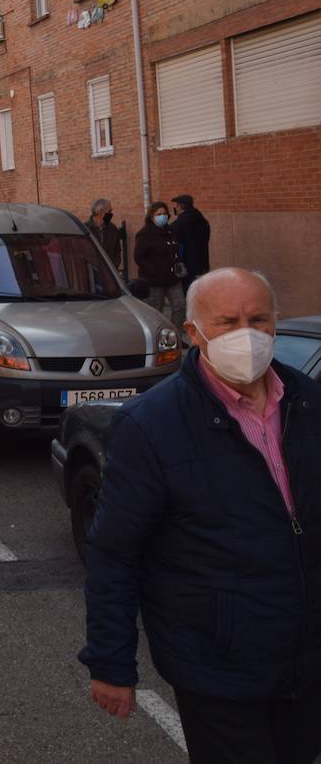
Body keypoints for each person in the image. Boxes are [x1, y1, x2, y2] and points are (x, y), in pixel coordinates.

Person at [81, 268, 321, 764]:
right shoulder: (151, 425)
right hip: (219, 667)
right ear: (194, 334)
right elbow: (114, 554)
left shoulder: (309, 402)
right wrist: (111, 662)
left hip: (307, 660)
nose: (247, 334)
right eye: (228, 322)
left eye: (258, 319)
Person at [133, 201, 186, 330]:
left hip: (173, 277)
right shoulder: (144, 234)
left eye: (164, 214)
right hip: (154, 279)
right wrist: (153, 270)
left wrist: (179, 263)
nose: (162, 216)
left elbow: (175, 249)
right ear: (151, 216)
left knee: (180, 306)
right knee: (156, 310)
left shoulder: (170, 231)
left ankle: (175, 335)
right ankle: (159, 338)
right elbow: (139, 257)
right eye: (159, 214)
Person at [171, 193, 212, 290]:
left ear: (181, 206)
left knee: (187, 291)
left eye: (176, 205)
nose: (175, 208)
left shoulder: (180, 223)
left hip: (186, 264)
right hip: (202, 261)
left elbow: (174, 239)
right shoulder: (202, 220)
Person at [86, 198, 123, 274]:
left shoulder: (112, 229)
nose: (111, 214)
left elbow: (117, 251)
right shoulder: (85, 230)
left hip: (110, 274)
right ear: (100, 213)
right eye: (109, 211)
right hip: (92, 274)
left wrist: (114, 267)